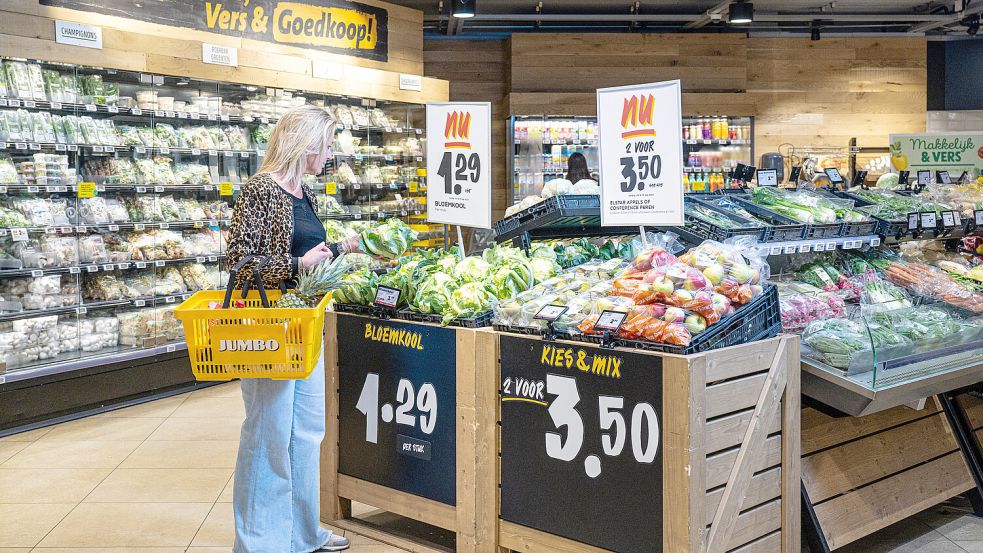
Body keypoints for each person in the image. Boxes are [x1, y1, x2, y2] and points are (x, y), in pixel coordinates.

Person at [226, 105, 354, 553]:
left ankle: (302, 533)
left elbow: (309, 252)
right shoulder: (260, 190)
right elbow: (239, 263)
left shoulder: (305, 194)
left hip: (304, 325)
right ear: (306, 142)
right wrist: (298, 263)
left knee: (306, 433)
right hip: (269, 327)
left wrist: (340, 249)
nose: (331, 152)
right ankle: (259, 542)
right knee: (268, 435)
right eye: (327, 142)